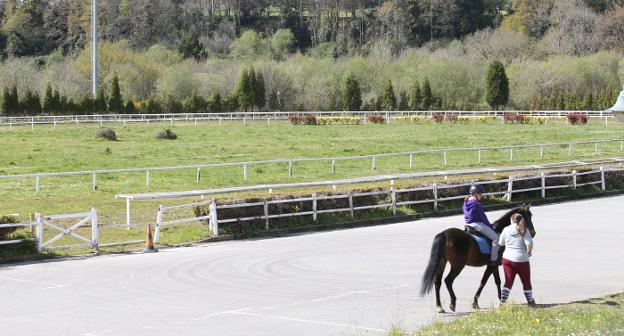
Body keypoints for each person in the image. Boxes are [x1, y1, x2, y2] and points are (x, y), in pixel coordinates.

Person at [499, 213, 535, 307]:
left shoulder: (506, 229)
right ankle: (530, 301)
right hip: (522, 260)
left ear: (511, 220)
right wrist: (529, 252)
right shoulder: (524, 229)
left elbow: (501, 243)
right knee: (526, 281)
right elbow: (529, 243)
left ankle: (503, 302)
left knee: (508, 281)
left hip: (507, 259)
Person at [463, 184, 499, 266]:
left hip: (467, 224)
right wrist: (490, 226)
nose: (481, 196)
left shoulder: (466, 201)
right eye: (480, 194)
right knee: (495, 238)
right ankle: (493, 260)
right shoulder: (476, 204)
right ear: (475, 194)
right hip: (477, 225)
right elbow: (483, 218)